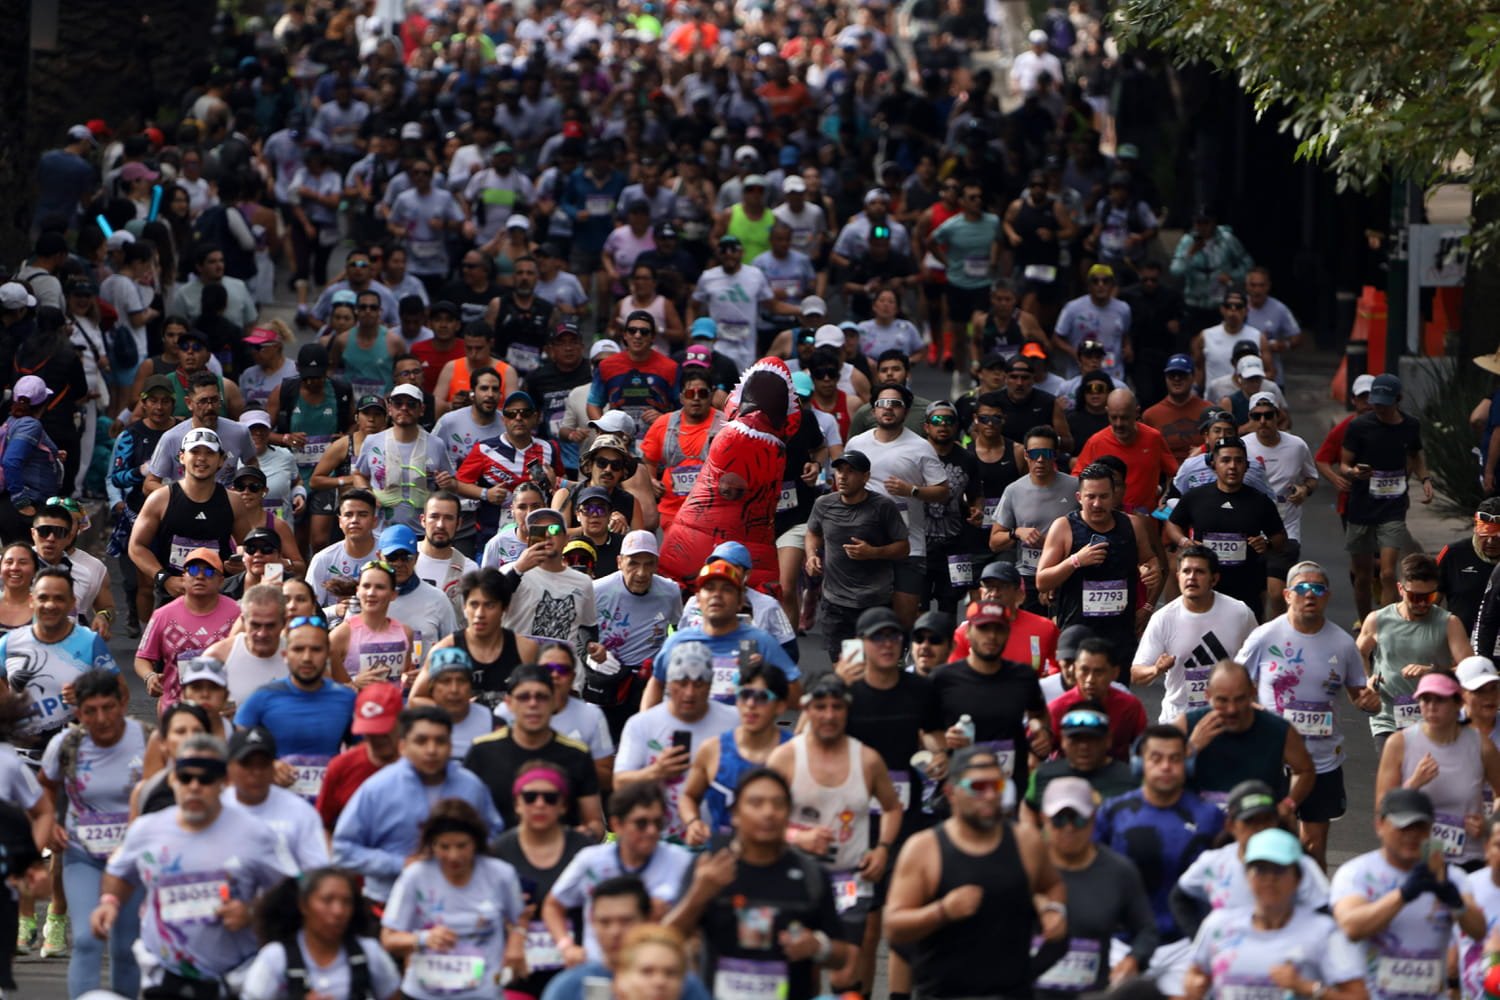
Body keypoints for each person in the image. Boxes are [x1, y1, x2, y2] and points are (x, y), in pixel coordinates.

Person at [90, 733, 296, 997]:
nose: (195, 786)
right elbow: (119, 872)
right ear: (173, 779)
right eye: (186, 777)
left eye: (206, 778)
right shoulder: (146, 830)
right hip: (164, 976)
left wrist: (252, 913)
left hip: (235, 978)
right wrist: (109, 902)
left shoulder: (256, 834)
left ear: (223, 782)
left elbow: (293, 890)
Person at [884, 745, 1067, 999]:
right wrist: (943, 911)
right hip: (945, 993)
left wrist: (1053, 910)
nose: (990, 795)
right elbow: (894, 927)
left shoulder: (1026, 841)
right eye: (979, 787)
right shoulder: (924, 849)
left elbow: (1052, 886)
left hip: (1012, 992)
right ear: (951, 793)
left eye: (997, 786)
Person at [667, 767, 853, 1000]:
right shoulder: (709, 866)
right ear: (735, 814)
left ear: (789, 814)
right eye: (756, 803)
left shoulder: (810, 874)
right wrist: (699, 894)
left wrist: (817, 946)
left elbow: (842, 955)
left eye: (778, 804)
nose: (768, 813)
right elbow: (664, 938)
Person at [1238, 560, 1376, 866]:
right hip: (1271, 759)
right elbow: (1235, 685)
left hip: (1322, 760)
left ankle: (1312, 907)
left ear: (1327, 596)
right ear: (1287, 595)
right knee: (1264, 844)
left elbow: (1359, 695)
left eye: (1317, 588)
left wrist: (1370, 702)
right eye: (1302, 588)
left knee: (1313, 847)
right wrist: (1253, 709)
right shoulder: (1264, 637)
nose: (1309, 594)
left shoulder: (1343, 644)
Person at [1094, 725, 1224, 997]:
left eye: (1174, 759)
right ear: (1140, 762)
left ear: (1186, 763)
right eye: (1156, 758)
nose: (1166, 767)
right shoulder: (1112, 812)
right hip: (1123, 944)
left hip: (1186, 945)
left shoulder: (1211, 817)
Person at [38, 669, 146, 996]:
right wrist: (50, 824)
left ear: (123, 702)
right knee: (86, 939)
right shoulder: (66, 744)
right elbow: (45, 787)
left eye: (108, 707)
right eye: (90, 711)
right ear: (78, 712)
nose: (101, 718)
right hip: (82, 854)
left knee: (126, 946)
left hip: (132, 860)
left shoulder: (148, 740)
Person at [332, 706, 505, 907]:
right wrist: (400, 864)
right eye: (421, 741)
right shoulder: (377, 789)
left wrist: (464, 856)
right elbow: (343, 850)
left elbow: (494, 836)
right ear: (403, 746)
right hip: (388, 904)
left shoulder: (471, 787)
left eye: (440, 741)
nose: (431, 750)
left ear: (450, 745)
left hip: (459, 905)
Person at [1331, 788, 1487, 1000]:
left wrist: (1455, 900)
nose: (1412, 835)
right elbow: (1351, 927)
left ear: (1431, 829)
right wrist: (1403, 895)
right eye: (1403, 826)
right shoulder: (1356, 873)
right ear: (1380, 826)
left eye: (1420, 827)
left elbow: (1478, 931)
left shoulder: (1452, 877)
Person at [1182, 828, 1364, 1000]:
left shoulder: (1323, 932)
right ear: (1247, 876)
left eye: (1279, 870)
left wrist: (1305, 987)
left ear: (1298, 878)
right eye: (1260, 869)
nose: (1270, 878)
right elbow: (1195, 974)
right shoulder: (1218, 925)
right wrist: (1194, 985)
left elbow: (1358, 996)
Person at [380, 797, 526, 1000]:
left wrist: (516, 944)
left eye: (462, 845)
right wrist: (423, 939)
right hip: (424, 993)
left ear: (476, 842)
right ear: (432, 845)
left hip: (483, 993)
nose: (454, 856)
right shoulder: (415, 876)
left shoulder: (501, 875)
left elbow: (520, 920)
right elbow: (389, 938)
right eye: (444, 847)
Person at [543, 781, 694, 964]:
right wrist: (566, 946)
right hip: (598, 968)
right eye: (641, 823)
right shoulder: (590, 860)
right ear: (617, 825)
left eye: (657, 822)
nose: (652, 831)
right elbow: (552, 905)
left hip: (655, 971)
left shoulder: (682, 861)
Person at [1035, 777, 1158, 995]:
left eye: (1079, 819)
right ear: (1044, 819)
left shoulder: (1119, 871)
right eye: (1059, 820)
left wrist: (1133, 960)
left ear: (1093, 819)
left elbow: (1146, 930)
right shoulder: (1028, 867)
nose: (1069, 828)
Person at [846, 384, 951, 627]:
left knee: (904, 618)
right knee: (865, 618)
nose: (888, 409)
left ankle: (902, 661)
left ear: (906, 411)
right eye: (882, 404)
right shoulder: (856, 444)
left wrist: (911, 490)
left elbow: (944, 491)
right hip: (866, 540)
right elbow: (841, 486)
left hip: (909, 545)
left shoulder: (920, 446)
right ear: (873, 411)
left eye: (895, 404)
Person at [1171, 781, 1331, 939]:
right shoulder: (1213, 863)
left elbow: (1324, 911)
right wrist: (1199, 938)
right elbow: (1180, 897)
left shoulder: (1300, 864)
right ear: (1230, 825)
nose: (1260, 829)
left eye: (1267, 820)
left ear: (1277, 822)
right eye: (1250, 821)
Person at [1036, 462, 1160, 661]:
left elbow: (1150, 560)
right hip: (1077, 635)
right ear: (1079, 498)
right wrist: (1076, 560)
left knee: (1118, 691)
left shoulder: (1132, 525)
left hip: (1119, 635)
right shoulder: (1063, 527)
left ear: (1114, 497)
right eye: (1090, 497)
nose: (1097, 504)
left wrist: (1150, 571)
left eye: (1103, 496)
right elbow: (1042, 581)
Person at [1374, 671, 1500, 867]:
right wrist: (1413, 784)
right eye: (1425, 700)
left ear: (1458, 703)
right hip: (1417, 855)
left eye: (1440, 700)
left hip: (1468, 857)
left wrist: (1489, 824)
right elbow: (1382, 806)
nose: (1431, 708)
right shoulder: (1399, 743)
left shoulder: (1481, 746)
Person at [465, 664, 604, 837]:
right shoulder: (481, 752)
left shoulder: (577, 755)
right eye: (524, 697)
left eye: (541, 697)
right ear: (509, 703)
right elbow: (465, 816)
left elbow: (595, 823)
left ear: (553, 701)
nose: (533, 704)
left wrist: (578, 838)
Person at [643, 559, 801, 711]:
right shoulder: (679, 642)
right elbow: (656, 684)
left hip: (739, 735)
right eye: (709, 588)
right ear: (698, 600)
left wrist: (766, 675)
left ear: (740, 600)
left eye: (726, 589)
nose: (716, 595)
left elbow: (796, 699)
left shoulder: (761, 642)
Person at [0, 566, 120, 765]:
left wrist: (86, 697)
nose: (50, 605)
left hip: (76, 754)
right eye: (43, 598)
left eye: (59, 598)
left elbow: (120, 693)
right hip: (20, 755)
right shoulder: (9, 642)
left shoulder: (90, 642)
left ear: (72, 603)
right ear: (31, 600)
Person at [494, 759, 594, 997]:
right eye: (530, 797)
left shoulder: (585, 851)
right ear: (517, 803)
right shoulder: (498, 851)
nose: (540, 804)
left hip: (574, 965)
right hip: (515, 967)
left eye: (550, 798)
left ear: (563, 805)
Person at [930, 599, 1053, 791]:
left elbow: (1039, 714)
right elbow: (926, 729)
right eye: (984, 628)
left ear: (1008, 633)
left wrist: (1043, 734)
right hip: (960, 787)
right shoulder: (943, 678)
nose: (992, 636)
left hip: (1012, 788)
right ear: (968, 632)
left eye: (999, 629)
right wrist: (943, 744)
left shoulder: (1023, 676)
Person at [234, 616, 357, 801]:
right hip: (276, 807)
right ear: (285, 655)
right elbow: (236, 749)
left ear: (328, 654)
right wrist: (269, 765)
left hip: (329, 807)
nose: (307, 658)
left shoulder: (347, 699)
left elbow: (364, 754)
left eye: (315, 650)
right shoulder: (263, 697)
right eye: (298, 649)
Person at [1359, 553, 1473, 752]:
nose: (1422, 603)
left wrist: (1432, 672)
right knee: (1395, 779)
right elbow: (1358, 655)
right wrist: (1366, 680)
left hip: (1434, 718)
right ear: (1400, 589)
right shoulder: (1378, 620)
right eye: (1415, 597)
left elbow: (1470, 670)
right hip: (1388, 720)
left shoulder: (1449, 623)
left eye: (1429, 596)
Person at [1133, 545, 1259, 722]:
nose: (1191, 577)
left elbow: (1261, 661)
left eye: (1199, 572)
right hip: (1178, 720)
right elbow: (1136, 675)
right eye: (1186, 571)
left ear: (1214, 579)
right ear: (1178, 577)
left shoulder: (1240, 613)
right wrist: (1156, 669)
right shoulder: (1163, 618)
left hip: (1228, 718)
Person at [1166, 435, 1287, 619]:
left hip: (1246, 588)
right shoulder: (1196, 497)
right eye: (1225, 460)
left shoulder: (1260, 501)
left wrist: (1267, 544)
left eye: (1238, 461)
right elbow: (1173, 523)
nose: (1232, 466)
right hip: (1204, 587)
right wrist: (1184, 542)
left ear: (1246, 466)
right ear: (1214, 464)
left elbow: (1280, 536)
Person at [1340, 373, 1432, 615]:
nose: (1378, 407)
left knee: (1389, 573)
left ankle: (1384, 629)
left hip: (1393, 507)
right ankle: (1365, 623)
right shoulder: (1359, 426)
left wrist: (1425, 479)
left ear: (1398, 399)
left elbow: (1415, 455)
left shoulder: (1410, 425)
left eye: (1384, 402)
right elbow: (1344, 464)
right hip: (1361, 508)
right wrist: (1354, 472)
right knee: (1363, 575)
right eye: (1375, 401)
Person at [805, 449, 911, 656]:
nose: (843, 476)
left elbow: (904, 547)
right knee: (846, 670)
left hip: (874, 602)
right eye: (839, 471)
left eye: (850, 471)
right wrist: (811, 556)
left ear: (865, 477)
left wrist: (873, 552)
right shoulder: (824, 504)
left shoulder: (883, 507)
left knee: (874, 666)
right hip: (836, 603)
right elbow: (812, 532)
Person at [240, 868, 403, 1000]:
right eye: (327, 900)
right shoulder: (276, 958)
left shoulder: (369, 953)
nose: (339, 911)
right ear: (304, 905)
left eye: (346, 902)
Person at [541, 877, 712, 1000]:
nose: (615, 931)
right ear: (592, 923)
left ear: (648, 920)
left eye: (626, 921)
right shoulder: (568, 987)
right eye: (605, 922)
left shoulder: (678, 983)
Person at [223, 726, 330, 872]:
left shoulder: (301, 812)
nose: (256, 772)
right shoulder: (215, 809)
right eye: (246, 764)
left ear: (274, 766)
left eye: (263, 764)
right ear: (229, 767)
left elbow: (318, 870)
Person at [315, 682, 403, 831]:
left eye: (384, 729)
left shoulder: (421, 763)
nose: (377, 739)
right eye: (370, 731)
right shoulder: (341, 767)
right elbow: (321, 826)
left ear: (401, 722)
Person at [1023, 704, 1135, 821]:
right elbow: (1028, 820)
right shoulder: (1042, 776)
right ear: (1063, 740)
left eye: (1091, 739)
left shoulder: (1132, 780)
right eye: (1075, 739)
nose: (1083, 746)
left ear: (1108, 740)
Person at [1047, 637, 1147, 762]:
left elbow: (1145, 750)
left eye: (1098, 672)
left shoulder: (1130, 707)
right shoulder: (1056, 709)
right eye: (1084, 670)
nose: (1090, 680)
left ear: (1115, 673)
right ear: (1075, 669)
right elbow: (1037, 753)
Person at [329, 560, 415, 688]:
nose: (371, 593)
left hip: (394, 706)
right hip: (354, 707)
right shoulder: (341, 635)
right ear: (358, 591)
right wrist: (354, 683)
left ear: (393, 594)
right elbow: (325, 688)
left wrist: (410, 681)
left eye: (380, 587)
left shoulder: (405, 633)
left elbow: (404, 679)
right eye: (366, 586)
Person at [0, 375, 65, 540]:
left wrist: (53, 456)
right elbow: (11, 461)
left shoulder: (13, 421)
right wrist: (21, 501)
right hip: (26, 505)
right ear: (44, 403)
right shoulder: (30, 425)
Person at [1435, 498, 1500, 638]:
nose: (1490, 541)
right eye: (1484, 535)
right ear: (1476, 528)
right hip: (1461, 643)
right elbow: (1430, 601)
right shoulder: (1453, 554)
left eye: (1497, 537)